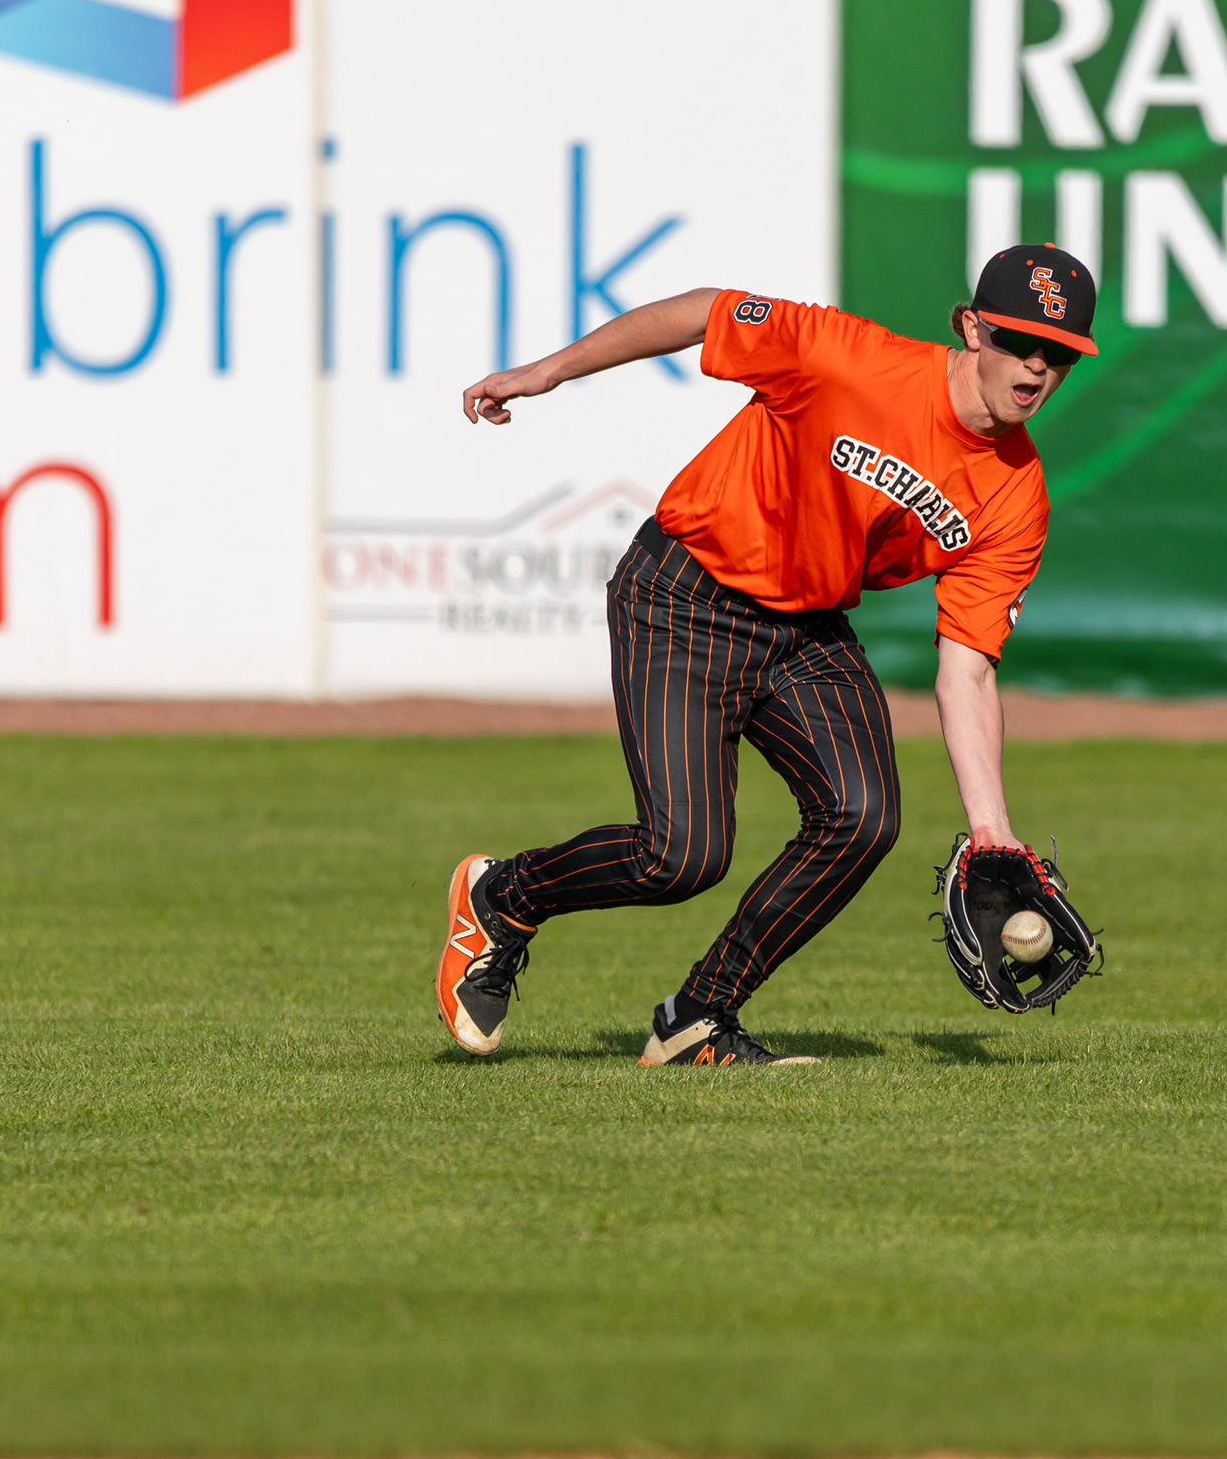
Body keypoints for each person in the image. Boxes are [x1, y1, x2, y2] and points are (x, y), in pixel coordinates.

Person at [435, 242, 1097, 1067]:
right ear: (970, 327)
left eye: (1059, 354)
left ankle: (697, 1015)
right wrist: (549, 371)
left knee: (862, 818)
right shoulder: (851, 359)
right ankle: (502, 895)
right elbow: (703, 311)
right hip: (684, 595)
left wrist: (992, 832)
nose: (1036, 367)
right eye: (1018, 340)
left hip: (806, 630)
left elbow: (967, 667)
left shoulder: (1016, 495)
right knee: (680, 857)